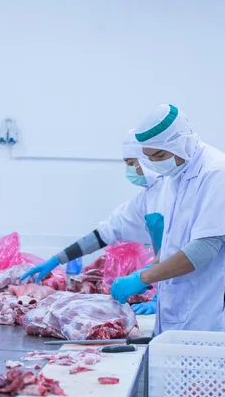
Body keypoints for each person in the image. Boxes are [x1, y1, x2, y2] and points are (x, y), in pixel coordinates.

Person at [110, 104, 225, 334]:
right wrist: (148, 270)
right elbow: (173, 242)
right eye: (149, 157)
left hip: (211, 313)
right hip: (182, 309)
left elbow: (204, 248)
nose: (156, 163)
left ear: (181, 143)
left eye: (160, 155)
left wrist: (143, 276)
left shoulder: (218, 173)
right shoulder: (176, 175)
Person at [20, 130, 165, 315]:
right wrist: (57, 259)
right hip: (167, 286)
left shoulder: (170, 190)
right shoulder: (146, 198)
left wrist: (149, 284)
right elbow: (105, 233)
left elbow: (177, 247)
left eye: (131, 163)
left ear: (145, 160)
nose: (129, 170)